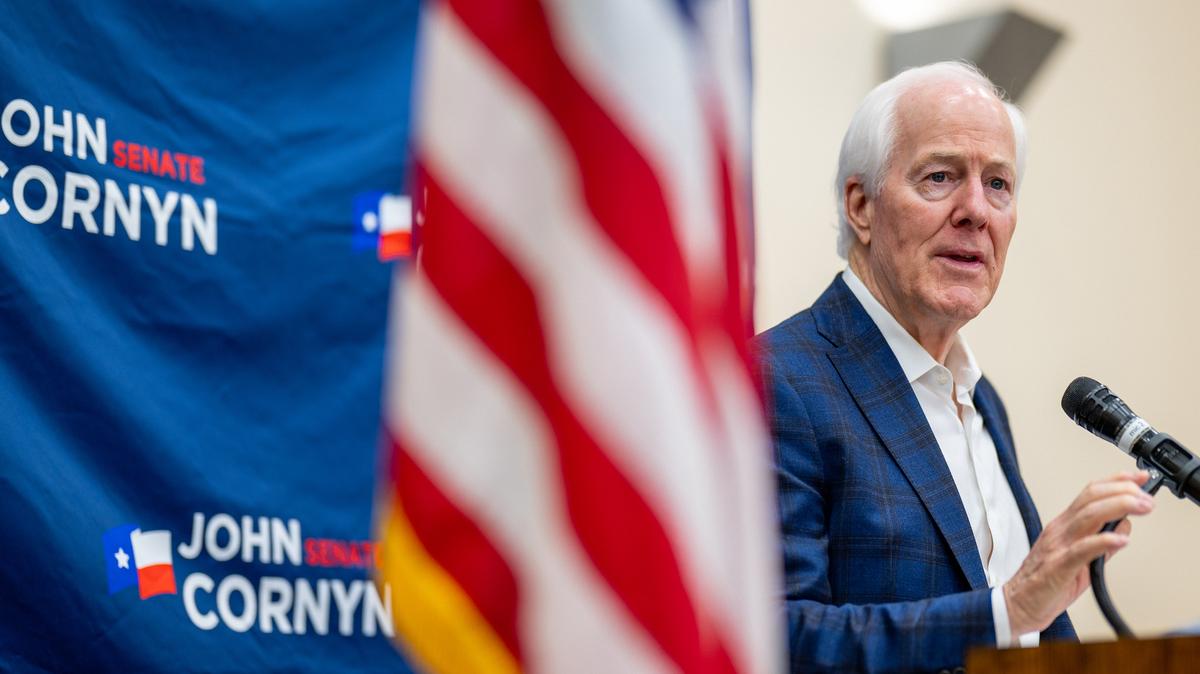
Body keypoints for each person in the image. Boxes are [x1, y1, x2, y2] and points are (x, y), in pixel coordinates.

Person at [753, 61, 1154, 672]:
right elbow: (780, 638)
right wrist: (1008, 609)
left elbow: (1032, 634)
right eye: (940, 176)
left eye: (999, 184)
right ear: (861, 206)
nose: (976, 211)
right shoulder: (776, 379)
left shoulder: (981, 396)